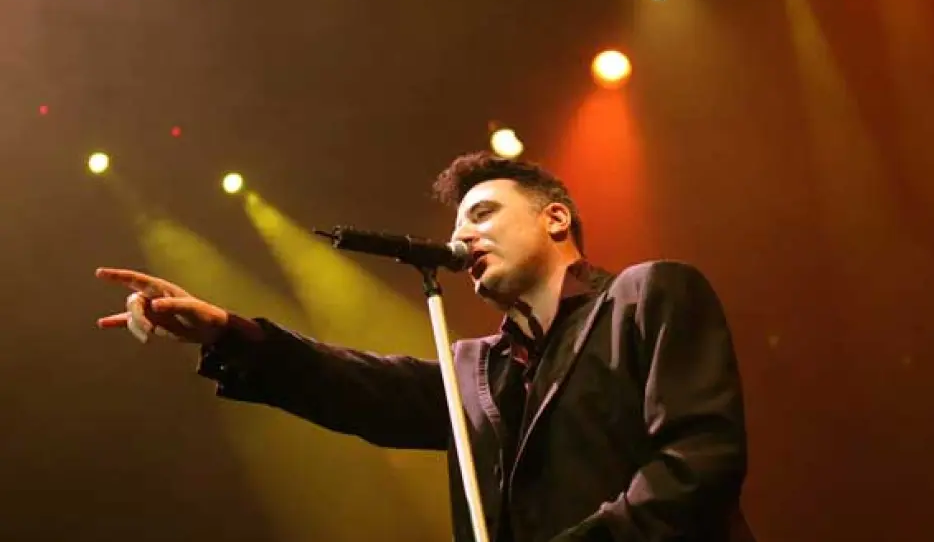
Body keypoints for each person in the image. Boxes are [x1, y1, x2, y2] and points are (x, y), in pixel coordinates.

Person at [96, 152, 754, 542]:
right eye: (457, 228)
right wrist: (226, 331)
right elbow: (358, 387)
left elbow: (698, 463)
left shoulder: (648, 294)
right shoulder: (478, 369)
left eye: (482, 214)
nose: (462, 238)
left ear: (555, 216)